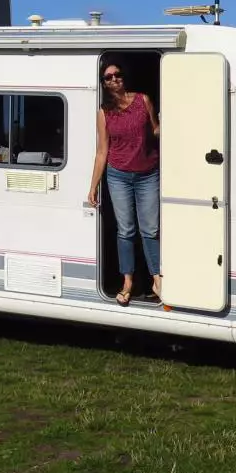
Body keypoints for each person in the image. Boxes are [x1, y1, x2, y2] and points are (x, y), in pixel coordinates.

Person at [87, 62, 161, 305]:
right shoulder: (104, 112)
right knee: (126, 230)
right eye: (108, 77)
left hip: (148, 173)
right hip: (118, 175)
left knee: (150, 229)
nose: (113, 79)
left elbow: (156, 130)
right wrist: (93, 186)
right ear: (104, 84)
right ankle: (127, 281)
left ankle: (157, 278)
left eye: (117, 74)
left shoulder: (143, 100)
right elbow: (102, 151)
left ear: (123, 77)